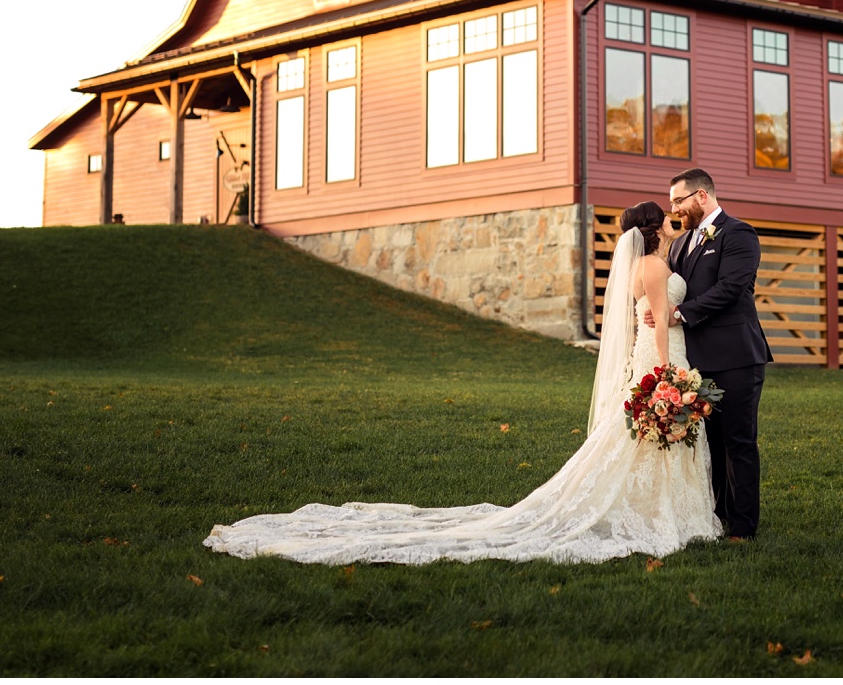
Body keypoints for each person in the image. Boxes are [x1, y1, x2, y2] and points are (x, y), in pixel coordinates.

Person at [202, 201, 719, 565]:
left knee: (636, 443)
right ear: (655, 230)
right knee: (648, 438)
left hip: (652, 358)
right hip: (660, 358)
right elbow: (655, 322)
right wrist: (667, 376)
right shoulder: (653, 267)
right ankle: (660, 514)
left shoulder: (652, 261)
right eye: (668, 217)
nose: (675, 221)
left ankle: (650, 506)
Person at [654, 168, 771, 541]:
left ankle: (743, 527)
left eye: (678, 200)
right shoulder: (680, 243)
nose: (674, 209)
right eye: (672, 202)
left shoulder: (739, 234)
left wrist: (679, 314)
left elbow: (732, 288)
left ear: (701, 196)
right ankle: (717, 516)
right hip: (698, 360)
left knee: (738, 442)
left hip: (736, 355)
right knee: (710, 443)